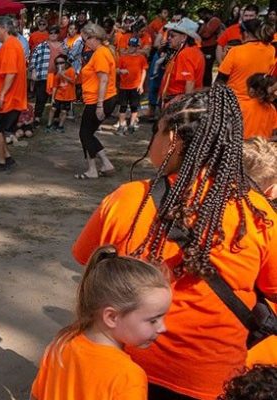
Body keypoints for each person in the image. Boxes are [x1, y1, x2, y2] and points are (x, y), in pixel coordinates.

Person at [73, 84, 277, 400]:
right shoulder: (259, 213)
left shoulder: (129, 201)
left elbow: (85, 258)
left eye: (157, 130)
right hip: (219, 380)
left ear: (173, 139)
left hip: (129, 370)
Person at [31, 246, 171, 400]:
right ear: (111, 317)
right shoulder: (127, 377)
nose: (163, 328)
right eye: (153, 320)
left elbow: (37, 395)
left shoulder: (61, 343)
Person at [217, 20, 277, 139]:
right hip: (261, 105)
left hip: (234, 107)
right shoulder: (271, 50)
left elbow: (220, 81)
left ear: (245, 34)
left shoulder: (236, 51)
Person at [73, 23, 118, 180]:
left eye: (86, 40)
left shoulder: (100, 53)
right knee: (87, 133)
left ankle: (99, 166)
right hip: (100, 99)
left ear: (93, 38)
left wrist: (99, 105)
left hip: (100, 100)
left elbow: (103, 80)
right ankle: (102, 164)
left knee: (85, 133)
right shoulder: (103, 52)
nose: (85, 44)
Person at [0, 16, 26, 173]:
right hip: (8, 97)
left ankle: (2, 162)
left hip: (7, 99)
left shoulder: (10, 46)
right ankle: (7, 157)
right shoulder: (12, 44)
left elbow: (10, 73)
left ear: (5, 29)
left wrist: (1, 95)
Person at [159, 18, 205, 105]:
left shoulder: (185, 54)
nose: (168, 38)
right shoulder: (193, 51)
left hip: (177, 101)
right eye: (169, 35)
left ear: (184, 37)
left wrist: (184, 106)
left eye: (173, 36)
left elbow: (190, 82)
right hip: (179, 99)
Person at [115, 37, 147, 135]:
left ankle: (132, 125)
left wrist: (141, 85)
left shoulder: (141, 58)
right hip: (124, 86)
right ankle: (121, 125)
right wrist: (121, 71)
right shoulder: (122, 57)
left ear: (137, 47)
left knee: (134, 106)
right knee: (123, 106)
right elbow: (116, 69)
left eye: (134, 46)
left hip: (135, 86)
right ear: (127, 45)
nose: (131, 47)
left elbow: (144, 71)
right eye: (130, 45)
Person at [29, 26, 55, 126]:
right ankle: (37, 117)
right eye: (51, 32)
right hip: (43, 76)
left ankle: (55, 119)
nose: (53, 35)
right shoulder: (41, 46)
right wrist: (34, 71)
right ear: (48, 34)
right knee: (41, 98)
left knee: (57, 99)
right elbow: (33, 59)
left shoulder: (62, 46)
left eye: (56, 33)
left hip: (56, 77)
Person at [46, 54, 76, 133]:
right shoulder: (56, 74)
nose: (59, 65)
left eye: (61, 63)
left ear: (66, 62)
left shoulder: (71, 70)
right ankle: (49, 125)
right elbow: (55, 86)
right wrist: (52, 97)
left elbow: (73, 81)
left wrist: (62, 75)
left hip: (68, 96)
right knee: (53, 109)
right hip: (58, 95)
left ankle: (60, 126)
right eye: (57, 63)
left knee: (64, 111)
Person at [197, 8, 224, 87]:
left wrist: (201, 33)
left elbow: (206, 35)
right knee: (202, 68)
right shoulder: (205, 22)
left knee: (207, 69)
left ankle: (207, 87)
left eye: (202, 15)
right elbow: (198, 33)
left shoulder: (214, 20)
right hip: (203, 47)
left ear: (207, 14)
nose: (200, 17)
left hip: (211, 47)